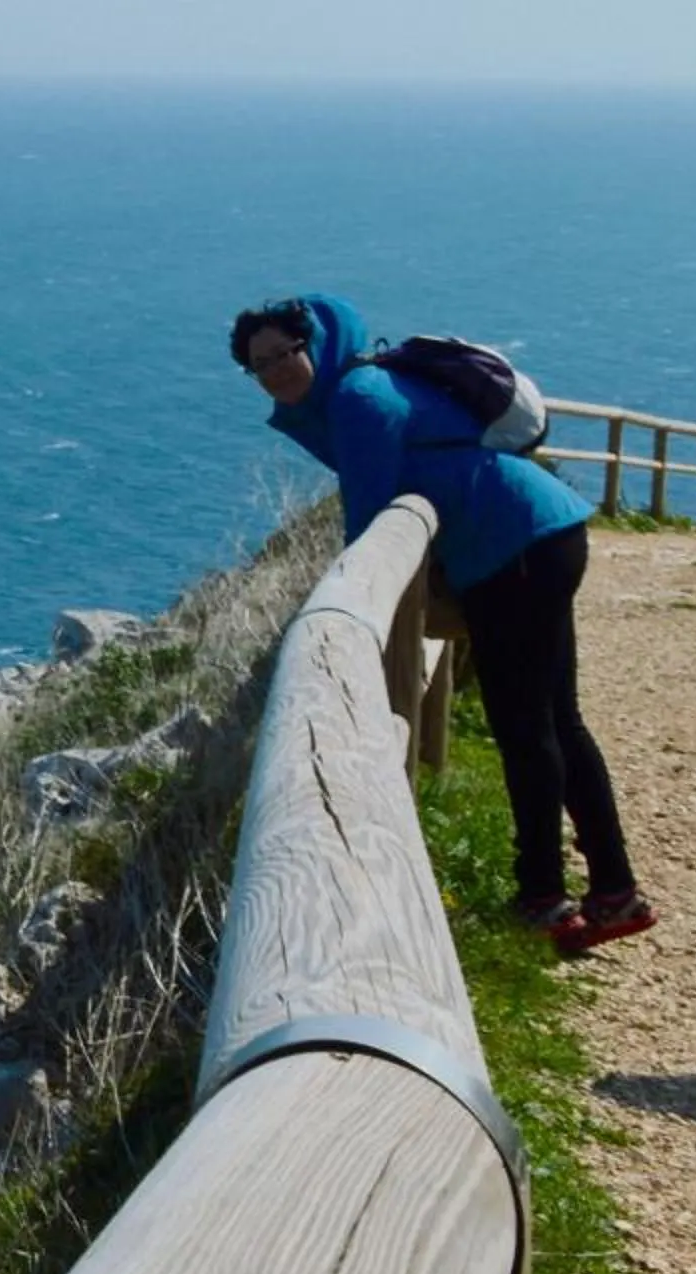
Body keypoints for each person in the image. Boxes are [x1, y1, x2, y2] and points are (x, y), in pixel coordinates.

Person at [232, 293, 654, 953]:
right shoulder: (362, 387)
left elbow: (368, 519)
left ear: (316, 343)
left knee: (528, 727)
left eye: (285, 352)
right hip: (536, 534)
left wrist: (357, 598)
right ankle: (612, 892)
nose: (275, 370)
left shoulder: (357, 398)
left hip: (512, 549)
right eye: (259, 365)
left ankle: (544, 896)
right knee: (553, 721)